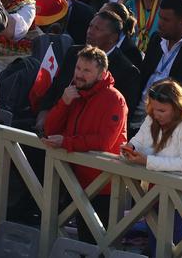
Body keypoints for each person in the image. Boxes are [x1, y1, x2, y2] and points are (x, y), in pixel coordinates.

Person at [42, 45, 129, 241]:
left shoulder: (114, 99)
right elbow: (50, 130)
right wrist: (63, 102)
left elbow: (104, 143)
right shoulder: (74, 92)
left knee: (98, 246)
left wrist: (67, 142)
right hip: (74, 180)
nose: (79, 75)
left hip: (105, 187)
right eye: (78, 69)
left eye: (87, 71)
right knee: (75, 240)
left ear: (102, 74)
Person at [123, 79, 182, 251]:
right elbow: (138, 141)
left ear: (177, 106)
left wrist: (146, 161)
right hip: (156, 197)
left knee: (175, 252)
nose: (157, 114)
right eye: (153, 109)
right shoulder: (152, 116)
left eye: (162, 110)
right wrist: (129, 149)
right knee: (155, 250)